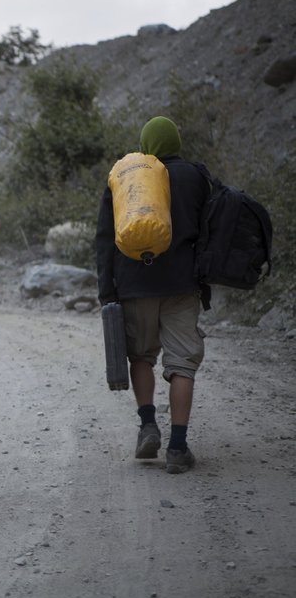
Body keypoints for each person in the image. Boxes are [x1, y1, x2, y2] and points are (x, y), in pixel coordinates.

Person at [95, 116, 209, 474]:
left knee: (141, 357)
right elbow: (214, 228)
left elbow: (104, 239)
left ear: (146, 143)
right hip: (182, 285)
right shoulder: (198, 177)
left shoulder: (127, 177)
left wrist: (106, 290)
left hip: (134, 285)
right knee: (182, 364)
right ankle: (177, 447)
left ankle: (147, 425)